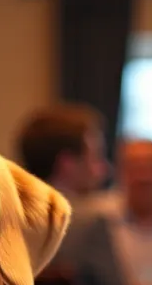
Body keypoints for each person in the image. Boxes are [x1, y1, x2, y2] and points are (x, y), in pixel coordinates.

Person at [76, 139, 152, 285]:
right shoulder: (97, 229)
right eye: (135, 168)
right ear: (120, 173)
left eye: (151, 167)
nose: (143, 177)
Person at [17, 103, 115, 268]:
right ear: (67, 164)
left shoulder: (1, 215)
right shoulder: (88, 222)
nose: (105, 168)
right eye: (96, 157)